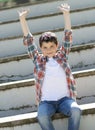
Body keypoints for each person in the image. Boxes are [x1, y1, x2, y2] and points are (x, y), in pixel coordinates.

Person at [18, 3, 81, 130]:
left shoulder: (62, 56)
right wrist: (22, 20)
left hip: (65, 100)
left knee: (76, 110)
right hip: (46, 102)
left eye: (52, 46)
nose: (49, 50)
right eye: (45, 47)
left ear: (57, 46)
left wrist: (66, 14)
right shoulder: (38, 60)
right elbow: (29, 41)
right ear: (41, 48)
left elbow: (68, 37)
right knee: (41, 116)